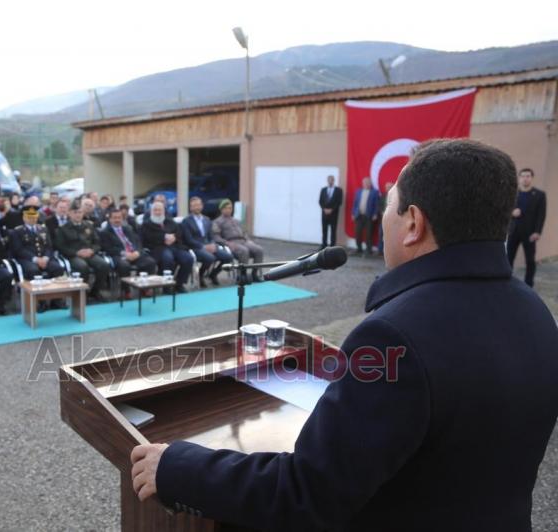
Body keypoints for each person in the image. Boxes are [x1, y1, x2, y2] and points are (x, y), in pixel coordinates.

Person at [131, 139, 558, 531]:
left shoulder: (394, 336)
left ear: (413, 224)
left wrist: (178, 467)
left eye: (390, 206)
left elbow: (306, 494)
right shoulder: (536, 313)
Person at [8, 204, 65, 312]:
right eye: (29, 217)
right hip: (28, 259)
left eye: (34, 216)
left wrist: (46, 258)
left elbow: (49, 246)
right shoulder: (17, 231)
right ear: (24, 218)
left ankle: (56, 300)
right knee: (33, 270)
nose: (32, 219)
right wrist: (35, 259)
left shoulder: (43, 229)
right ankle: (40, 302)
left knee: (57, 269)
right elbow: (18, 250)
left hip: (44, 258)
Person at [54, 200, 111, 300]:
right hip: (73, 255)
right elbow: (60, 246)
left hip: (89, 253)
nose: (78, 215)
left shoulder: (89, 225)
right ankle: (81, 293)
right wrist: (76, 252)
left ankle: (95, 291)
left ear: (83, 213)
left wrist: (92, 251)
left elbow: (97, 242)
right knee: (82, 267)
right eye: (75, 212)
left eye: (80, 212)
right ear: (69, 213)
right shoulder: (63, 229)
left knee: (103, 265)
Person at [140, 201, 193, 293]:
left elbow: (179, 232)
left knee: (188, 258)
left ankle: (179, 284)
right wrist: (164, 237)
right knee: (168, 258)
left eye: (160, 210)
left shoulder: (169, 221)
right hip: (157, 248)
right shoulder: (146, 224)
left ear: (164, 211)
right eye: (155, 210)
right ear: (151, 212)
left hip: (174, 246)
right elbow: (148, 238)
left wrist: (174, 237)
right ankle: (166, 286)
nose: (157, 212)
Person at [507, 167, 546, 287]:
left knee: (530, 261)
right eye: (523, 176)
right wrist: (512, 212)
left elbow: (541, 215)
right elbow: (505, 209)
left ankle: (529, 284)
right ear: (519, 178)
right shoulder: (513, 193)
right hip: (513, 231)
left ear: (532, 178)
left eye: (528, 176)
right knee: (508, 259)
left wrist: (537, 232)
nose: (525, 179)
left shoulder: (539, 195)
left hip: (529, 233)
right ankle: (506, 282)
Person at [182, 196, 233, 287]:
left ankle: (213, 274)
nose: (197, 207)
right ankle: (201, 276)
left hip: (209, 245)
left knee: (228, 257)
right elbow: (188, 239)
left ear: (202, 206)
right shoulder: (186, 221)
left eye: (199, 205)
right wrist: (203, 247)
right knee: (210, 258)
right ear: (191, 208)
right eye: (194, 206)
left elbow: (211, 236)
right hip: (196, 247)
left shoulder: (207, 220)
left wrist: (213, 244)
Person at [212, 199, 264, 281]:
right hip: (231, 242)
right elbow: (216, 237)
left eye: (230, 208)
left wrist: (248, 239)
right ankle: (241, 275)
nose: (228, 210)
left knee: (259, 250)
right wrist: (226, 243)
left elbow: (244, 232)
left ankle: (254, 274)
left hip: (243, 241)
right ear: (221, 209)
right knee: (244, 251)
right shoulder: (217, 222)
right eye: (226, 208)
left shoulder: (236, 220)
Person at [100, 209, 157, 282]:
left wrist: (137, 252)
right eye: (115, 218)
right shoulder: (105, 232)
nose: (117, 220)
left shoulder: (128, 228)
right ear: (110, 219)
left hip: (134, 254)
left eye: (119, 217)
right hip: (119, 256)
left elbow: (138, 242)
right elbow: (108, 248)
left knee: (150, 262)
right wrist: (124, 253)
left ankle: (145, 287)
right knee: (124, 266)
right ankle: (126, 291)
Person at [352, 176, 380, 256]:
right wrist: (353, 213)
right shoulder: (358, 191)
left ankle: (369, 249)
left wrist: (375, 214)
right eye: (365, 182)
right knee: (358, 233)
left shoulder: (375, 192)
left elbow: (376, 205)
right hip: (358, 215)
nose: (366, 184)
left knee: (368, 233)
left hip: (369, 216)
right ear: (363, 183)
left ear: (370, 183)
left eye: (368, 182)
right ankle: (359, 248)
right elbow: (355, 203)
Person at [318, 174, 343, 249]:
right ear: (327, 181)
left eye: (332, 180)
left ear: (334, 181)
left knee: (333, 230)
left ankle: (332, 246)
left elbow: (339, 202)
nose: (330, 181)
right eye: (329, 180)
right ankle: (324, 244)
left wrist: (331, 209)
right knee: (324, 229)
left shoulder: (339, 190)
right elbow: (320, 201)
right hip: (324, 213)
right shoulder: (323, 190)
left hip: (334, 214)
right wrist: (324, 209)